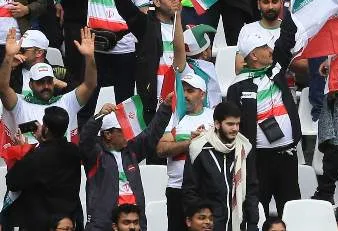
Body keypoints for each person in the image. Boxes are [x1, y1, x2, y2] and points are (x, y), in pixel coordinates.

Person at [227, 18, 301, 217]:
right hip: (257, 161)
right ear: (253, 55)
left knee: (292, 211)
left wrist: (292, 7)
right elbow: (231, 126)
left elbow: (285, 40)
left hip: (287, 155)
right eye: (264, 47)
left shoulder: (276, 68)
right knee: (258, 213)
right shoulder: (236, 87)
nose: (270, 50)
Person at [80, 96, 173, 231]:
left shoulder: (132, 150)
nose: (128, 133)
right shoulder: (94, 155)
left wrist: (166, 107)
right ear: (107, 134)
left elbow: (152, 133)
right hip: (103, 224)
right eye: (122, 130)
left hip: (133, 223)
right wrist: (99, 116)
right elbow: (85, 139)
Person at [0, 24, 96, 138]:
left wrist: (90, 56)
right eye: (40, 82)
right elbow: (3, 88)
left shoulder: (64, 98)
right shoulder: (20, 103)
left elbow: (90, 85)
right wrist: (9, 59)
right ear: (31, 85)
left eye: (49, 81)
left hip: (60, 153)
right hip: (26, 152)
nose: (46, 86)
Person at [182, 101, 260, 231]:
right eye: (230, 124)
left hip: (238, 224)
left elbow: (252, 190)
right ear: (217, 124)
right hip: (210, 224)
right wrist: (202, 223)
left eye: (237, 124)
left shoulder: (245, 148)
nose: (235, 128)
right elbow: (190, 191)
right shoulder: (199, 149)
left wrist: (252, 224)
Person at [5, 106, 84, 231]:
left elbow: (12, 182)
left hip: (45, 224)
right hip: (68, 222)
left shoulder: (37, 158)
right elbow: (55, 153)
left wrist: (24, 150)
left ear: (46, 129)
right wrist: (44, 142)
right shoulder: (74, 151)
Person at [157, 72, 214, 231]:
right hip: (177, 188)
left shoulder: (213, 117)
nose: (185, 95)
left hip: (206, 187)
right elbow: (161, 149)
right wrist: (190, 142)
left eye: (190, 91)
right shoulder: (173, 117)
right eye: (183, 91)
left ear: (202, 94)